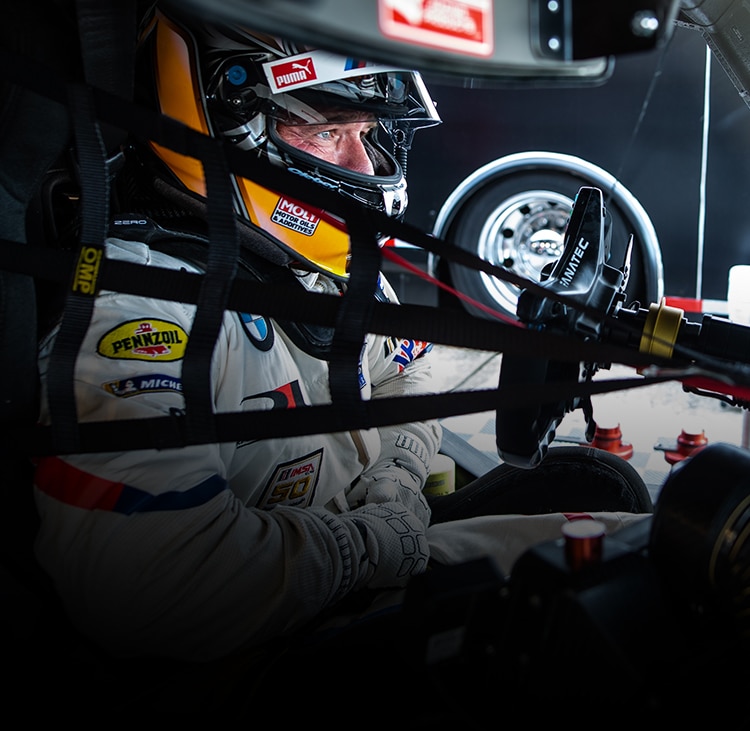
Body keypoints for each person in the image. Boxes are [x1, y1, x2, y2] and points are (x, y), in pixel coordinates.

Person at [32, 4, 652, 693]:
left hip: (347, 574)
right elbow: (159, 594)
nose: (364, 163)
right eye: (327, 132)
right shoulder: (143, 317)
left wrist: (393, 484)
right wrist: (376, 546)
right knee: (633, 589)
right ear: (225, 125)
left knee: (621, 525)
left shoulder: (319, 272)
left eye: (367, 133)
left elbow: (408, 383)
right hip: (257, 657)